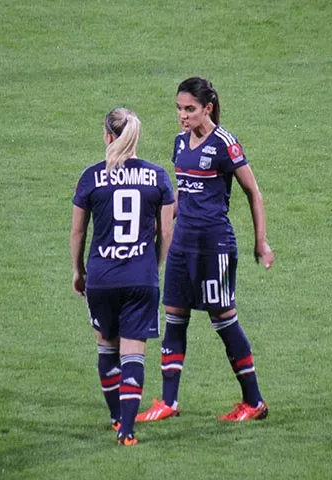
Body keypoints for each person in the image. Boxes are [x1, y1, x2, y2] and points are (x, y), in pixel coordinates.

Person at [136, 77, 275, 423]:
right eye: (179, 109)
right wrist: (162, 224)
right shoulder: (181, 143)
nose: (182, 116)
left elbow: (253, 193)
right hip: (183, 244)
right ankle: (169, 401)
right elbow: (182, 192)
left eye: (189, 109)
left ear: (207, 108)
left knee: (224, 319)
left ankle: (254, 401)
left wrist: (261, 241)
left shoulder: (225, 144)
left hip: (214, 246)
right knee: (174, 317)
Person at [70, 107, 175, 445]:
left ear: (107, 136)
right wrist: (152, 266)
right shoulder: (157, 177)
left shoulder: (91, 177)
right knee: (134, 355)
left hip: (102, 277)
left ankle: (116, 418)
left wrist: (78, 270)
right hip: (141, 278)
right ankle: (128, 432)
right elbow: (167, 233)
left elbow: (77, 233)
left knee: (106, 350)